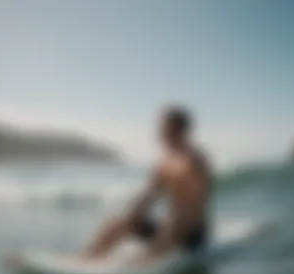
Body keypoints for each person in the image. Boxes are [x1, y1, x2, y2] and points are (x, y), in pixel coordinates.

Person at [84, 106, 211, 263]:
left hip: (191, 235)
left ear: (179, 130)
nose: (160, 133)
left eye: (165, 128)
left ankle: (145, 265)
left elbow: (193, 210)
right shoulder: (165, 163)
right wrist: (130, 219)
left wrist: (159, 243)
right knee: (119, 221)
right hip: (169, 229)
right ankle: (87, 259)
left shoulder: (194, 162)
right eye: (162, 128)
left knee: (174, 222)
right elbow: (149, 196)